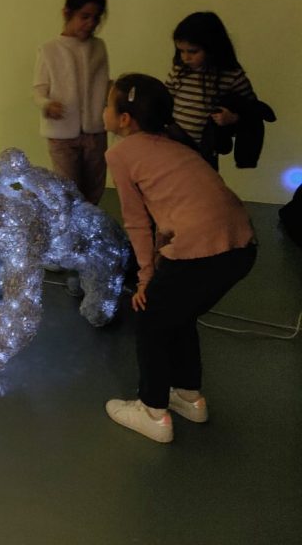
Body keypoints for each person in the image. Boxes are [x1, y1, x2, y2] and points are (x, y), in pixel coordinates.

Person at [102, 74, 256, 443]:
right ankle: (189, 396)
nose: (103, 110)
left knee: (151, 319)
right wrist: (157, 268)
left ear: (125, 119)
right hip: (242, 247)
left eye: (107, 104)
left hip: (202, 250)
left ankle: (153, 410)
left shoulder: (120, 154)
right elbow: (169, 213)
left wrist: (145, 278)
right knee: (179, 314)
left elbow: (137, 222)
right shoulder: (175, 142)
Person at [32, 0, 110, 205]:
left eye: (96, 18)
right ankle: (69, 226)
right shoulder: (49, 49)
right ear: (67, 13)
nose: (91, 23)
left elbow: (103, 84)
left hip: (95, 132)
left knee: (94, 188)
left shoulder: (99, 47)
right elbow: (39, 90)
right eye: (84, 16)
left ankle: (90, 225)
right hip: (61, 135)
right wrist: (47, 105)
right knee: (67, 190)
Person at [165, 11, 259, 169]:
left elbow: (252, 110)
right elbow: (165, 100)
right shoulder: (179, 71)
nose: (186, 57)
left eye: (193, 51)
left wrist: (233, 118)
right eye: (181, 51)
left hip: (205, 149)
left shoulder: (232, 76)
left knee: (202, 181)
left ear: (212, 48)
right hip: (174, 141)